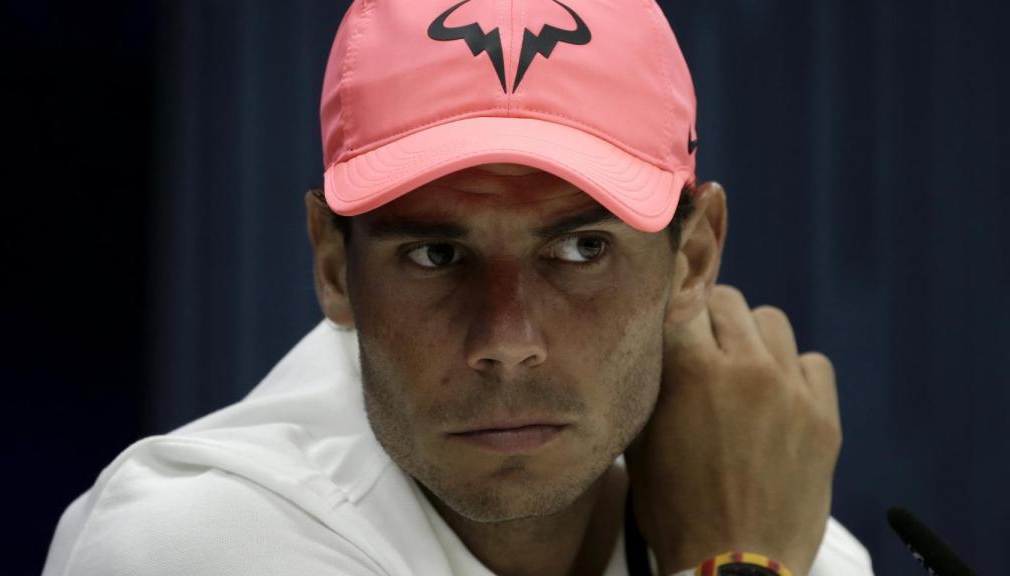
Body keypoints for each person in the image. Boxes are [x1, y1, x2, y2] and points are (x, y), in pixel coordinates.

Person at [43, 1, 875, 575]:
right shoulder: (193, 542)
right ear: (333, 265)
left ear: (692, 259)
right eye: (436, 255)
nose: (507, 339)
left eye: (582, 248)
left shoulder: (800, 547)